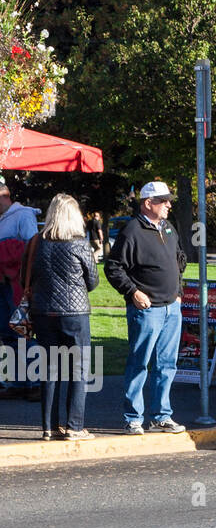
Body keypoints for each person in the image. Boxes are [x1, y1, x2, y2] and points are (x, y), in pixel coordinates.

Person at [104, 181, 188, 434]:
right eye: (163, 201)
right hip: (146, 309)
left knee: (167, 363)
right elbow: (113, 267)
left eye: (168, 200)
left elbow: (179, 260)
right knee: (139, 362)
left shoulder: (168, 228)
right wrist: (133, 292)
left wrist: (178, 293)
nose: (169, 205)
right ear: (148, 203)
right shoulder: (132, 231)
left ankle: (162, 415)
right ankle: (133, 418)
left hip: (171, 308)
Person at [26, 194, 99, 441]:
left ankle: (49, 426)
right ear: (74, 216)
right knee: (78, 370)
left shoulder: (37, 243)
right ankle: (75, 426)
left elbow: (30, 275)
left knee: (49, 369)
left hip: (43, 312)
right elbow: (93, 281)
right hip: (74, 314)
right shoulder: (80, 244)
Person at [0, 183, 41, 400]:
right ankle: (18, 381)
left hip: (17, 285)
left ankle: (34, 382)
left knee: (22, 332)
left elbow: (32, 248)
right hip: (4, 285)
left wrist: (26, 283)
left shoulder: (23, 215)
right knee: (8, 334)